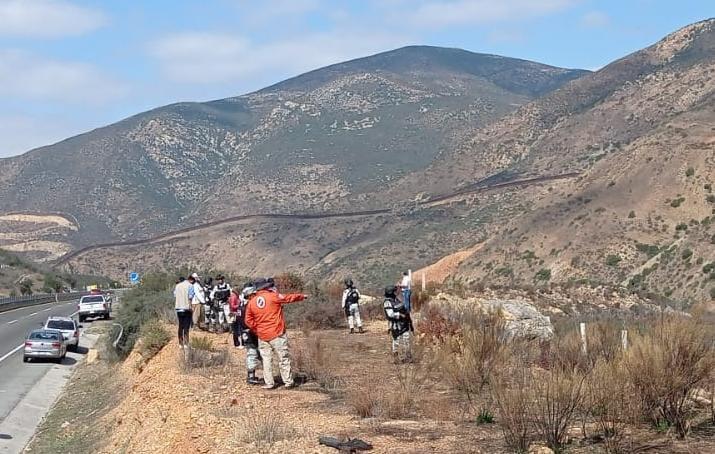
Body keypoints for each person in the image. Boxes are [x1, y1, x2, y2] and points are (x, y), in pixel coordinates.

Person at [245, 277, 308, 389]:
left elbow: (248, 321)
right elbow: (288, 298)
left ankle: (269, 383)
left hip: (262, 335)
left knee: (266, 359)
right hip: (277, 333)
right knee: (283, 358)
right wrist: (302, 296)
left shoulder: (251, 302)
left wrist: (257, 329)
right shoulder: (273, 296)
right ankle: (288, 382)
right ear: (266, 286)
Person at [239, 284, 263, 385]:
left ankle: (254, 375)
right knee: (252, 353)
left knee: (256, 353)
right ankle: (251, 376)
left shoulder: (244, 307)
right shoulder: (248, 307)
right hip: (251, 333)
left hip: (249, 332)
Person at [383, 285, 412, 363]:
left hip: (404, 323)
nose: (396, 293)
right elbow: (390, 314)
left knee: (406, 339)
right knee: (396, 341)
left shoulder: (396, 300)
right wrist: (400, 315)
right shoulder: (387, 302)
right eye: (394, 291)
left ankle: (408, 357)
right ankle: (396, 358)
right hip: (396, 324)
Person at [174, 276, 195, 348]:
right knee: (186, 326)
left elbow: (175, 295)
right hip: (186, 308)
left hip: (179, 308)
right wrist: (190, 307)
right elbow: (190, 297)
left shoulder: (177, 286)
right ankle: (186, 343)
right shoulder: (190, 286)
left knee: (180, 325)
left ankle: (180, 343)